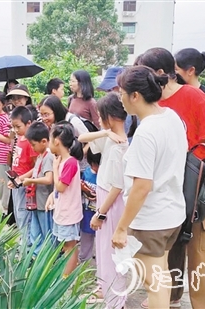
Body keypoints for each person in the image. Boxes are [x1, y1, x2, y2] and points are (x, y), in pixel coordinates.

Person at [136, 47, 205, 309]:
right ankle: (169, 300)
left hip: (201, 194)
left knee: (203, 262)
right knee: (168, 258)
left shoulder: (194, 96)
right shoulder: (153, 105)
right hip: (169, 193)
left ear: (161, 73)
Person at [112, 66, 187, 309]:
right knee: (161, 277)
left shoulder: (146, 132)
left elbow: (142, 187)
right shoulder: (172, 117)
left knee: (153, 284)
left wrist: (121, 227)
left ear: (135, 96)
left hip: (151, 220)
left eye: (121, 92)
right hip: (172, 213)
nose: (119, 98)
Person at [79, 92, 129, 308]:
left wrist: (100, 213)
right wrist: (106, 132)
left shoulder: (120, 147)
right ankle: (108, 294)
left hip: (111, 204)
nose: (98, 120)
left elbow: (117, 186)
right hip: (105, 199)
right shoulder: (111, 139)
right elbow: (81, 139)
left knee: (112, 255)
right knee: (104, 253)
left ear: (109, 116)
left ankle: (116, 301)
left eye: (100, 116)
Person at [45, 121, 84, 277]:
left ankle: (67, 278)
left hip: (69, 213)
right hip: (64, 211)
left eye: (49, 139)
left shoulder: (70, 163)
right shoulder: (63, 161)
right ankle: (67, 274)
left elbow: (61, 187)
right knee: (67, 245)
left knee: (70, 246)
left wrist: (54, 168)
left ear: (56, 141)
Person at [23, 121, 55, 255]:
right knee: (36, 230)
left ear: (43, 141)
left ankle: (48, 256)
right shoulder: (41, 155)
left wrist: (31, 180)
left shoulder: (49, 157)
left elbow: (49, 179)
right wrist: (20, 178)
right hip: (36, 201)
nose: (32, 148)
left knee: (46, 231)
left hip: (44, 202)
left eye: (33, 145)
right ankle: (36, 254)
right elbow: (34, 170)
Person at [7, 106, 38, 237]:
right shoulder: (19, 138)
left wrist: (21, 179)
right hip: (16, 182)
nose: (15, 130)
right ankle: (23, 243)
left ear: (29, 123)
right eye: (13, 127)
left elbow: (37, 167)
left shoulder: (31, 143)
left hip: (24, 185)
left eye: (18, 126)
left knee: (24, 216)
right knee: (18, 214)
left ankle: (27, 248)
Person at [96, 66, 135, 142]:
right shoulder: (108, 108)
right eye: (106, 90)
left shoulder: (134, 109)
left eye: (111, 89)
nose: (108, 93)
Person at [78, 149, 100, 265]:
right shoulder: (86, 173)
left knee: (100, 238)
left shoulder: (104, 176)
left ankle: (101, 260)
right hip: (87, 212)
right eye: (96, 165)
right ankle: (84, 261)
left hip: (100, 213)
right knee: (86, 237)